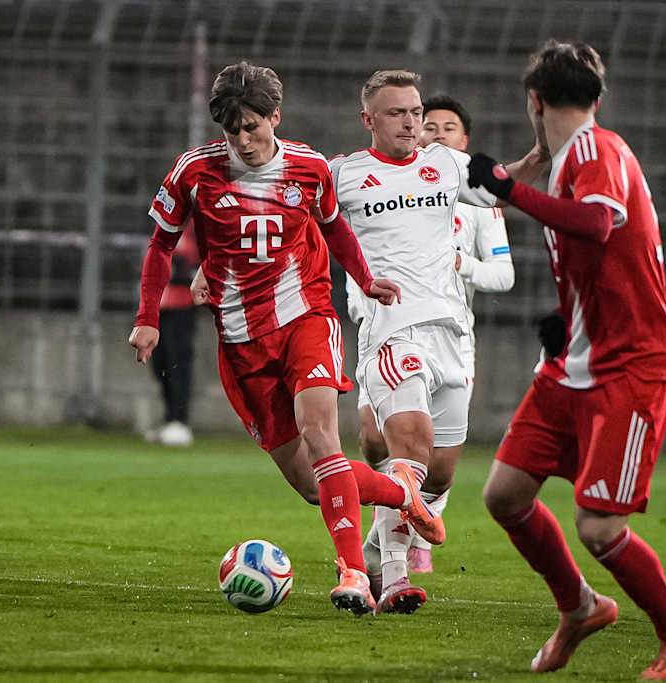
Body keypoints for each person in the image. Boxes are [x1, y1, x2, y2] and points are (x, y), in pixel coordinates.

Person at [129, 61, 439, 617]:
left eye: (254, 127)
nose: (244, 141)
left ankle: (351, 573)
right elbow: (159, 244)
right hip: (241, 340)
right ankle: (401, 493)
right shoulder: (194, 172)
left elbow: (333, 227)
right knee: (308, 483)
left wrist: (365, 281)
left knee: (323, 436)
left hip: (306, 317)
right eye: (233, 131)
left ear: (276, 117)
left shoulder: (309, 167)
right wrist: (148, 316)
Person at [467, 40, 666, 679]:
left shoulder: (596, 151)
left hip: (631, 368)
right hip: (576, 360)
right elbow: (604, 256)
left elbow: (598, 225)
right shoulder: (574, 154)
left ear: (534, 101)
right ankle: (580, 607)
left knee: (599, 527)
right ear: (596, 96)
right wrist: (567, 320)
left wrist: (506, 187)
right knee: (505, 496)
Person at [332, 70, 500, 614]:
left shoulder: (450, 172)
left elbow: (506, 266)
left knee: (436, 469)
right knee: (400, 445)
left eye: (417, 113)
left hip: (452, 333)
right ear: (369, 121)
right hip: (386, 326)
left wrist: (549, 144)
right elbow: (298, 223)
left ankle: (379, 549)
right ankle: (391, 574)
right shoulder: (343, 175)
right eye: (400, 114)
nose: (413, 123)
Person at [144, 223, 200, 446]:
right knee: (161, 363)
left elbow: (202, 258)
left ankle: (180, 421)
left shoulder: (196, 224)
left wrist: (183, 270)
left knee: (179, 362)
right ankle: (169, 418)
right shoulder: (162, 222)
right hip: (159, 305)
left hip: (182, 305)